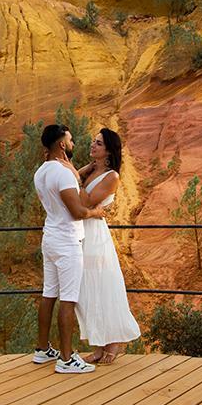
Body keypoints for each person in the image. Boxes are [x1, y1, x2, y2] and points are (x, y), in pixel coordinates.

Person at [31, 124, 105, 374]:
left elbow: (64, 191)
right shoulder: (62, 174)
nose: (73, 144)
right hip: (67, 241)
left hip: (49, 237)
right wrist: (97, 213)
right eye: (70, 140)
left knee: (48, 294)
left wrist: (78, 170)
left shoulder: (41, 171)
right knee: (68, 300)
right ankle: (66, 358)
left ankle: (42, 349)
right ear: (62, 144)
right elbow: (77, 211)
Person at [75, 128, 141, 364]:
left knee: (101, 285)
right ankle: (99, 344)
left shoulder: (111, 176)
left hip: (95, 237)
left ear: (109, 150)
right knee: (87, 289)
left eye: (99, 143)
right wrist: (81, 174)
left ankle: (113, 343)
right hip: (82, 231)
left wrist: (75, 178)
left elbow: (85, 201)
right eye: (93, 141)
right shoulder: (92, 170)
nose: (93, 145)